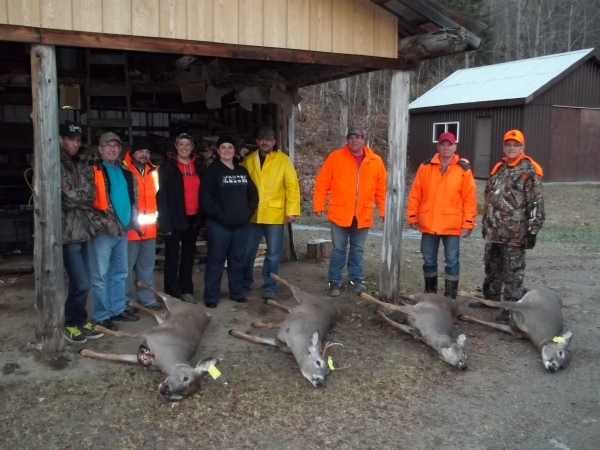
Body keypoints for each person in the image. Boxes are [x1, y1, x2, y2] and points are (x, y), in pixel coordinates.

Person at [471, 129, 545, 321]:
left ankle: (511, 307)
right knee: (492, 265)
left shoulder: (529, 170)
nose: (511, 148)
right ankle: (491, 298)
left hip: (515, 232)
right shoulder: (499, 168)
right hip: (494, 230)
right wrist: (486, 224)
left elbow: (536, 202)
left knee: (512, 270)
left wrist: (533, 230)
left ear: (522, 147)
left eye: (515, 145)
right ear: (504, 146)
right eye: (508, 144)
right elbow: (490, 197)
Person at [314, 126, 387, 297]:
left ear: (363, 139)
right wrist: (318, 205)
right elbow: (322, 182)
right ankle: (334, 281)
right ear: (347, 140)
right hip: (340, 212)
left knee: (358, 249)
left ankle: (355, 279)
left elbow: (381, 189)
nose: (354, 140)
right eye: (351, 137)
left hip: (363, 212)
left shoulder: (375, 161)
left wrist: (384, 210)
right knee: (339, 249)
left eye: (357, 137)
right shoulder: (335, 157)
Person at [406, 132, 477, 299]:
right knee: (429, 260)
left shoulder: (463, 170)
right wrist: (412, 216)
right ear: (438, 147)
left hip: (452, 225)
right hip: (429, 223)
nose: (446, 147)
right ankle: (430, 295)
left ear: (455, 147)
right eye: (443, 144)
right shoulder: (425, 167)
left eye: (449, 144)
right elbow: (415, 194)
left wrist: (468, 222)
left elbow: (469, 199)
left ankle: (450, 298)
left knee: (452, 261)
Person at [88, 132, 140, 331]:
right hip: (103, 232)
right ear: (100, 149)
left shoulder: (124, 170)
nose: (112, 149)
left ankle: (117, 309)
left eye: (115, 146)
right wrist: (100, 223)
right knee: (100, 276)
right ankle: (101, 316)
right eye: (107, 145)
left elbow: (132, 198)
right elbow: (87, 201)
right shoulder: (93, 170)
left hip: (122, 230)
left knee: (120, 273)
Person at [241, 127, 301, 300]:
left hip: (274, 214)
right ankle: (245, 281)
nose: (264, 142)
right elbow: (243, 186)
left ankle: (269, 286)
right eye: (262, 139)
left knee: (273, 254)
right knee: (247, 251)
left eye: (268, 139)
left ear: (274, 141)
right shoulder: (249, 160)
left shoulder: (283, 161)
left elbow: (292, 187)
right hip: (253, 214)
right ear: (257, 141)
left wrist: (292, 211)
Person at [59, 120, 104, 343]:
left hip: (83, 230)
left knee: (83, 281)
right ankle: (69, 323)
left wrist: (78, 195)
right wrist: (80, 195)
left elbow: (91, 194)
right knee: (81, 282)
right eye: (71, 139)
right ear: (60, 139)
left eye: (77, 140)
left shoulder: (79, 164)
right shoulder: (55, 164)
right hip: (67, 233)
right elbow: (65, 199)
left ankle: (80, 320)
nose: (75, 144)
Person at [201, 136, 259, 308]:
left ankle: (237, 293)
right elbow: (206, 198)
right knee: (216, 260)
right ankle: (211, 296)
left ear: (234, 151)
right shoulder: (212, 172)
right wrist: (220, 215)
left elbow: (253, 195)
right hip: (218, 225)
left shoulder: (242, 171)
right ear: (218, 151)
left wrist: (247, 213)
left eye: (230, 147)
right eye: (223, 147)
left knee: (237, 259)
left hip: (240, 225)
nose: (227, 150)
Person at [156, 132, 205, 303]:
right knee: (172, 256)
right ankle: (172, 293)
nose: (184, 147)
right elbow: (161, 195)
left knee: (188, 255)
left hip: (193, 218)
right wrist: (164, 222)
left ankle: (186, 290)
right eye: (181, 144)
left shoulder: (199, 166)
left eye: (187, 144)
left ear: (192, 147)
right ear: (176, 146)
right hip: (174, 217)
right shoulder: (167, 167)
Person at [123, 136, 162, 310]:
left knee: (147, 267)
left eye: (147, 151)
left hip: (149, 229)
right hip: (130, 229)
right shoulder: (124, 170)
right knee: (126, 268)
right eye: (140, 151)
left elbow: (157, 198)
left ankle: (147, 298)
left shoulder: (153, 172)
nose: (144, 154)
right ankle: (127, 300)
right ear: (132, 152)